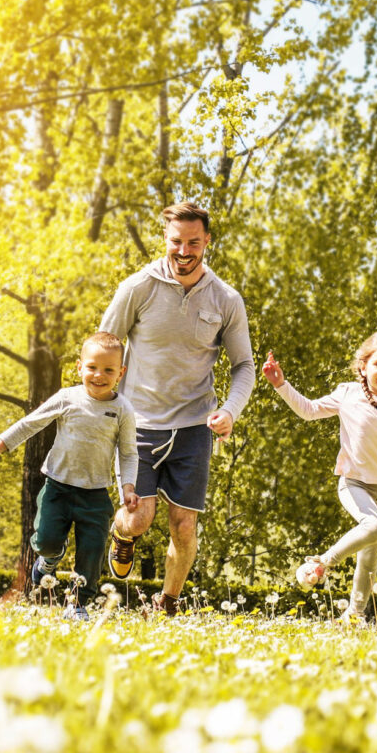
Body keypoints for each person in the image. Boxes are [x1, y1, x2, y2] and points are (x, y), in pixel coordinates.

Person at [100, 202, 254, 616]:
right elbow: (104, 346)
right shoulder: (137, 287)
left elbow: (244, 367)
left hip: (193, 427)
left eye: (193, 243)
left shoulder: (225, 299)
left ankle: (167, 602)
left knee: (184, 524)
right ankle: (122, 532)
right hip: (139, 423)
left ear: (206, 242)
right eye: (176, 242)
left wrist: (231, 410)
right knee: (140, 519)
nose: (184, 251)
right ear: (165, 240)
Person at [262, 334, 377, 622]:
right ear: (363, 366)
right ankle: (321, 562)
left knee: (369, 558)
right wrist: (281, 384)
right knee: (374, 527)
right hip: (353, 482)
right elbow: (308, 411)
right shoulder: (348, 393)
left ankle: (353, 616)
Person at [0, 331, 139, 621]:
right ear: (79, 367)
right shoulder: (67, 398)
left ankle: (78, 604)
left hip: (95, 493)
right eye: (92, 367)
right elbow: (28, 425)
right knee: (46, 540)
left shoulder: (122, 409)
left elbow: (128, 452)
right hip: (57, 487)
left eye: (108, 370)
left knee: (93, 552)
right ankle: (49, 559)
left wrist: (129, 486)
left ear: (120, 373)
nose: (99, 375)